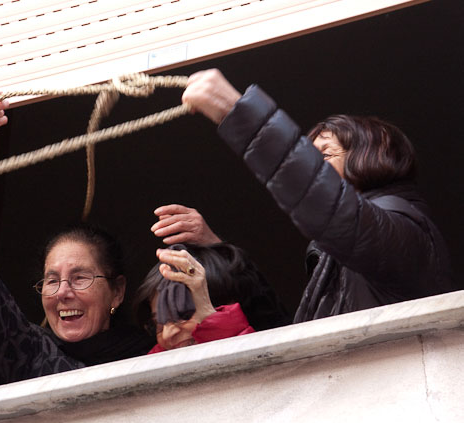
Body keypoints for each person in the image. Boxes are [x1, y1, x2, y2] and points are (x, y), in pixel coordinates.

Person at [172, 69, 454, 322]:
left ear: (373, 155)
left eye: (324, 156)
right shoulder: (334, 251)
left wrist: (237, 112)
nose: (313, 167)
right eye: (310, 159)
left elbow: (332, 206)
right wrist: (217, 248)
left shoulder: (406, 231)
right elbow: (282, 331)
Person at [0, 92, 153, 385]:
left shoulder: (157, 357)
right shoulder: (32, 360)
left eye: (80, 277)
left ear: (117, 292)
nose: (62, 293)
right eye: (52, 280)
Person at [133, 243, 289, 353]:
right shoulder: (156, 360)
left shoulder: (267, 352)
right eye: (158, 324)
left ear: (228, 304)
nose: (168, 334)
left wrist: (210, 317)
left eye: (183, 315)